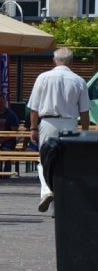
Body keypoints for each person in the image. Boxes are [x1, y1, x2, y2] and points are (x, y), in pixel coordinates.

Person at [27, 47, 89, 213]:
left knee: (44, 161)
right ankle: (61, 205)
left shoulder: (43, 78)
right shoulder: (78, 80)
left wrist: (33, 128)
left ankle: (47, 191)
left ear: (54, 60)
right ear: (72, 62)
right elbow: (84, 111)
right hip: (69, 123)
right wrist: (84, 132)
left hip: (48, 122)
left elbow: (34, 108)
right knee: (67, 163)